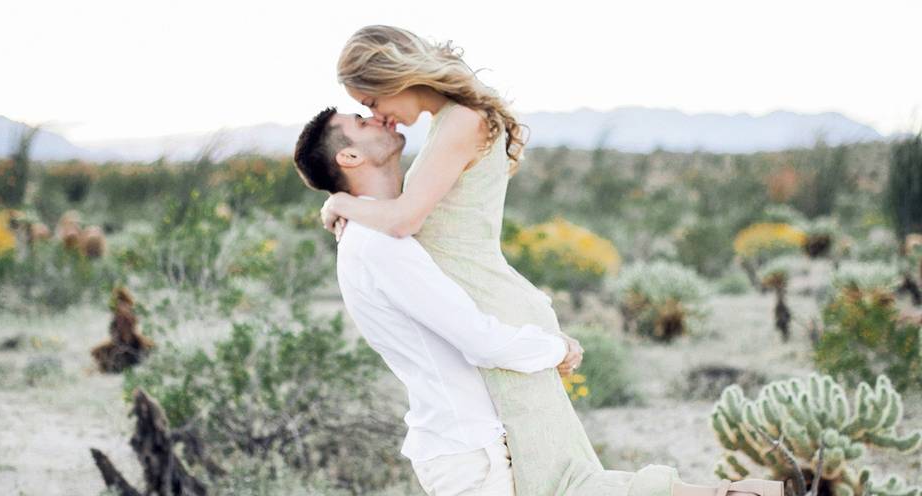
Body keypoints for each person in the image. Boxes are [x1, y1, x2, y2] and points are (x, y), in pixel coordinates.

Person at [296, 34, 783, 496]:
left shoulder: (458, 123)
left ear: (391, 76)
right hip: (494, 320)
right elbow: (403, 219)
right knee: (568, 482)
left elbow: (404, 220)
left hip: (495, 318)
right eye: (366, 114)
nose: (381, 116)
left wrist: (342, 203)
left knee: (564, 483)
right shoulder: (444, 135)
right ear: (351, 153)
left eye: (372, 103)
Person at [294, 107, 584, 495]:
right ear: (349, 157)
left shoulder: (377, 233)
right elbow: (479, 340)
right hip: (469, 454)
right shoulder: (379, 245)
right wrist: (556, 347)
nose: (380, 118)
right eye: (362, 122)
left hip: (467, 444)